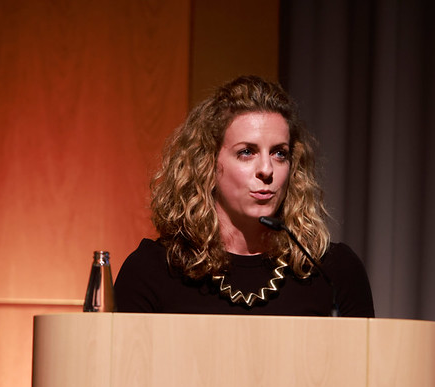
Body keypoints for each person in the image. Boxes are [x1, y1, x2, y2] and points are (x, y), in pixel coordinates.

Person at [114, 75, 374, 317]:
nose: (266, 170)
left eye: (279, 153)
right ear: (207, 164)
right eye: (247, 152)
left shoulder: (331, 271)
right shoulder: (154, 270)